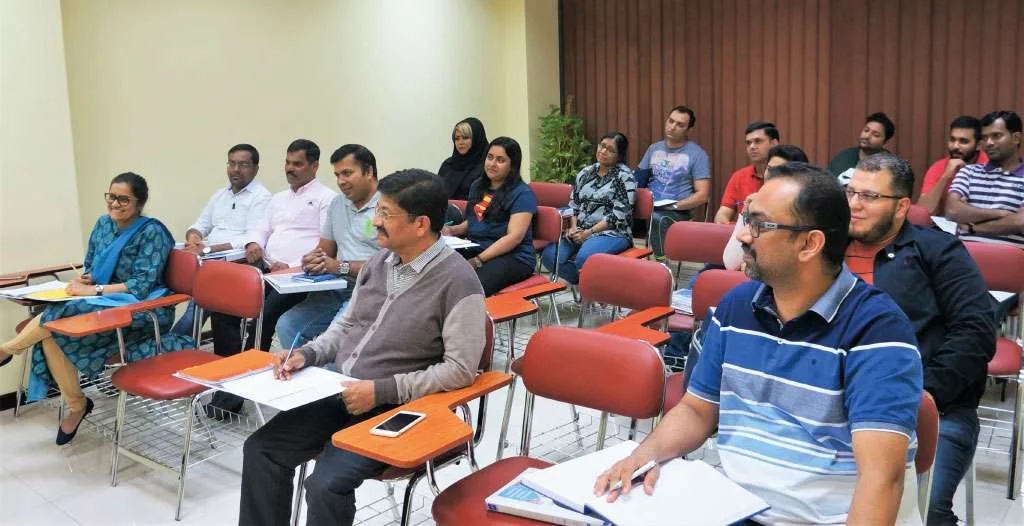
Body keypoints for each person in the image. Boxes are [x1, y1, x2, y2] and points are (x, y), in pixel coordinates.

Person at [596, 163, 924, 525]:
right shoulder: (737, 307)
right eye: (746, 221)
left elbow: (881, 480)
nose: (742, 236)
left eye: (760, 225)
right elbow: (697, 411)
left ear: (809, 244)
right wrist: (643, 457)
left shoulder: (877, 329)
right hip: (734, 507)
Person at [238, 169, 486, 526]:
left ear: (421, 224)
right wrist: (308, 354)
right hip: (343, 391)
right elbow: (346, 325)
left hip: (400, 407)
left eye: (385, 213)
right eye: (378, 211)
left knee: (325, 484)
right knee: (262, 449)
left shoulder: (459, 281)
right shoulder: (378, 263)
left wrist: (380, 391)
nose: (376, 222)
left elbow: (460, 369)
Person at [845, 153, 997, 525]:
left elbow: (976, 330)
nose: (854, 204)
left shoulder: (937, 250)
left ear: (901, 207)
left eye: (869, 196)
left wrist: (925, 395)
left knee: (925, 513)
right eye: (850, 192)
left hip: (929, 407)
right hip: (836, 403)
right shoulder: (825, 249)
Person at [0, 173, 193, 444]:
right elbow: (91, 265)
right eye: (111, 197)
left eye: (123, 199)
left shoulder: (153, 232)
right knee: (53, 333)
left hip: (143, 310)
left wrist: (94, 290)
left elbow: (141, 285)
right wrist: (86, 279)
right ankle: (77, 405)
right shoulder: (103, 224)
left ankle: (8, 349)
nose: (114, 203)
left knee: (57, 319)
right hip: (102, 303)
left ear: (139, 203)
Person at [207, 139, 335, 415]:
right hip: (267, 271)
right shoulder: (278, 198)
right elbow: (261, 230)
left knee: (261, 319)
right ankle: (227, 377)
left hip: (300, 277)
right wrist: (254, 244)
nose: (290, 168)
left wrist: (291, 266)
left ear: (314, 166)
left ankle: (233, 399)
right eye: (288, 163)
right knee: (223, 309)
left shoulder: (327, 198)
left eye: (297, 164)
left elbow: (325, 246)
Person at [275, 144, 382, 348]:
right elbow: (325, 251)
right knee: (288, 325)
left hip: (371, 290)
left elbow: (391, 264)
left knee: (334, 341)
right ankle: (304, 367)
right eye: (337, 175)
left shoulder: (388, 206)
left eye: (347, 173)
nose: (341, 181)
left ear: (368, 172)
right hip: (336, 286)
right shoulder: (337, 203)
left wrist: (340, 266)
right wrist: (312, 260)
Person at [171, 143, 271, 336]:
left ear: (255, 169)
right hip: (206, 261)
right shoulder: (220, 194)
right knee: (169, 280)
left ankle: (174, 344)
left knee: (197, 308)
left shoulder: (261, 197)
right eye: (232, 163)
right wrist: (193, 238)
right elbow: (201, 224)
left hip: (236, 264)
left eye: (243, 165)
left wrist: (208, 250)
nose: (236, 169)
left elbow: (251, 239)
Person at [443, 136, 537, 295]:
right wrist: (452, 230)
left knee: (470, 285)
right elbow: (477, 220)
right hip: (478, 247)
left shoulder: (522, 193)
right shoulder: (478, 186)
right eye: (490, 157)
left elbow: (513, 238)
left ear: (512, 165)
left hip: (514, 257)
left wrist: (478, 260)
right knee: (439, 267)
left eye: (500, 160)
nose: (492, 164)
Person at [540, 132, 636, 284]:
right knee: (549, 256)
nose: (603, 151)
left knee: (585, 258)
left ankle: (592, 284)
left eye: (610, 150)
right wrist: (572, 228)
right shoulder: (586, 172)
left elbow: (618, 216)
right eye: (602, 146)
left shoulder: (624, 176)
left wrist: (588, 233)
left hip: (611, 232)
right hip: (580, 230)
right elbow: (574, 205)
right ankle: (586, 282)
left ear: (619, 155)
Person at [637, 105, 711, 259]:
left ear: (688, 130)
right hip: (649, 207)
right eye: (671, 121)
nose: (672, 127)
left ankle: (662, 264)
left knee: (658, 219)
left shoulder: (697, 155)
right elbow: (639, 180)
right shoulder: (653, 149)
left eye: (680, 125)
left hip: (677, 212)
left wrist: (674, 205)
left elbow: (702, 195)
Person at [722, 144, 809, 271]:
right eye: (769, 168)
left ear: (797, 176)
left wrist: (753, 266)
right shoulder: (756, 203)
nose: (771, 175)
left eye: (779, 171)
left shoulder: (800, 211)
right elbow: (731, 263)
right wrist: (747, 212)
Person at [945, 110, 1024, 248]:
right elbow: (952, 211)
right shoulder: (969, 172)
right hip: (964, 257)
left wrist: (973, 228)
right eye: (984, 138)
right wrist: (1002, 213)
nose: (989, 143)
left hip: (1009, 257)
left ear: (1016, 138)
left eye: (996, 136)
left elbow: (1020, 222)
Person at [917, 116, 988, 215]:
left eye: (963, 141)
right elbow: (921, 212)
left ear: (979, 145)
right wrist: (945, 176)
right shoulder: (939, 167)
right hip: (946, 223)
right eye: (952, 140)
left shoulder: (989, 165)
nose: (955, 146)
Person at [714, 121, 779, 224]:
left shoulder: (787, 176)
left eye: (758, 141)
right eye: (748, 143)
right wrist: (723, 223)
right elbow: (722, 214)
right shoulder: (739, 176)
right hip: (743, 232)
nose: (752, 146)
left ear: (774, 144)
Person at [827, 112, 896, 185]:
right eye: (866, 130)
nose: (867, 136)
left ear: (885, 142)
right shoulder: (844, 157)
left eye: (875, 135)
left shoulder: (891, 166)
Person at [438, 117, 488, 201]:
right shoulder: (448, 165)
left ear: (476, 139)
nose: (460, 142)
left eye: (465, 137)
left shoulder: (487, 167)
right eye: (457, 138)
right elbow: (437, 192)